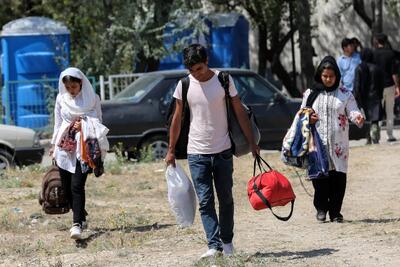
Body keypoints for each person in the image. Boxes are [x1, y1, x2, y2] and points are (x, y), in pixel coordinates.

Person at [165, 44, 259, 258]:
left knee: (225, 198)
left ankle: (227, 243)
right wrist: (171, 150)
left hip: (223, 151)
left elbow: (239, 111)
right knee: (206, 201)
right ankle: (214, 245)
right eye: (191, 70)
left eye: (198, 68)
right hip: (196, 152)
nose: (195, 74)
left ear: (206, 61)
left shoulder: (224, 80)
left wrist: (252, 143)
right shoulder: (184, 85)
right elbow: (177, 119)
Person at [301, 56, 364, 223]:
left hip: (339, 145)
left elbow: (353, 110)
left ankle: (335, 212)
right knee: (319, 179)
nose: (328, 79)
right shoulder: (310, 94)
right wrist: (308, 118)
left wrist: (357, 117)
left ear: (337, 76)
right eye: (325, 76)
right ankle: (321, 208)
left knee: (338, 178)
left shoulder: (345, 94)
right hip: (317, 144)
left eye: (331, 76)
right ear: (319, 76)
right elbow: (302, 114)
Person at [49, 67, 107, 240]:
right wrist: (53, 146)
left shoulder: (93, 99)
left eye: (73, 87)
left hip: (85, 148)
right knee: (66, 188)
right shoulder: (61, 99)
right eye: (68, 88)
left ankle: (77, 225)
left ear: (81, 83)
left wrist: (83, 123)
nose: (71, 91)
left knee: (77, 186)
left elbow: (99, 121)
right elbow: (58, 123)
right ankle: (80, 213)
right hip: (65, 148)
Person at [373, 33, 400, 142]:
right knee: (389, 110)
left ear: (376, 41)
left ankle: (376, 133)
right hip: (389, 85)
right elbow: (394, 72)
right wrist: (397, 86)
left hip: (377, 86)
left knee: (378, 110)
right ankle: (390, 135)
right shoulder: (390, 54)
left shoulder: (373, 54)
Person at [354, 48, 384, 144]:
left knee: (365, 119)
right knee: (375, 120)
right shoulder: (377, 68)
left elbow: (357, 85)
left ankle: (368, 138)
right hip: (375, 97)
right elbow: (381, 84)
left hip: (363, 98)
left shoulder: (359, 68)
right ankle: (375, 136)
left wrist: (356, 98)